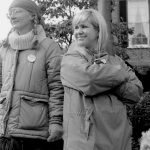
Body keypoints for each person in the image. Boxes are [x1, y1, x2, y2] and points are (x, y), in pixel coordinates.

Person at [61, 8, 143, 150]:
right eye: (76, 27)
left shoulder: (115, 60)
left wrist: (107, 80)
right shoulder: (70, 59)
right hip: (86, 141)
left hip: (118, 139)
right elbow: (90, 80)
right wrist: (119, 74)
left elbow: (136, 92)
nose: (78, 31)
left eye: (84, 26)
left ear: (98, 31)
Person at [0, 0, 64, 149]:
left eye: (17, 11)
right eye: (10, 12)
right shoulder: (4, 48)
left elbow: (57, 88)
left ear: (32, 16)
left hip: (35, 133)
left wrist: (56, 121)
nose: (12, 15)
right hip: (5, 132)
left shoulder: (49, 47)